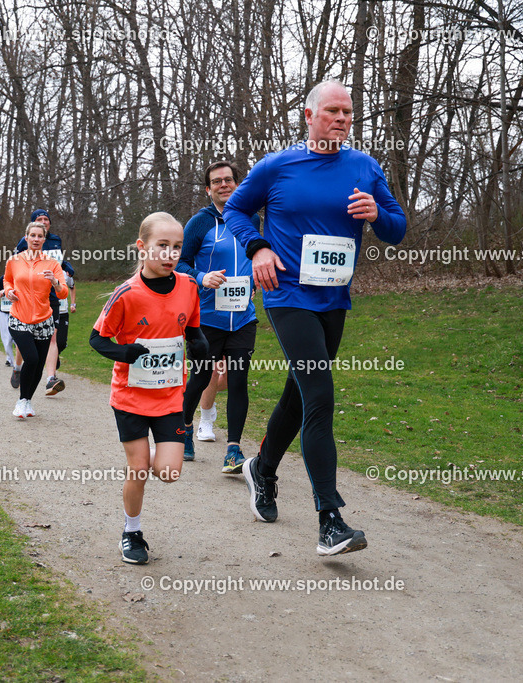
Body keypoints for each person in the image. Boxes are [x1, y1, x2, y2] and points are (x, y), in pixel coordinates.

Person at [224, 80, 406, 556]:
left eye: (348, 112)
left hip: (334, 300)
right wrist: (258, 247)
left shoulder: (364, 167)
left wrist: (377, 214)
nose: (342, 118)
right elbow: (236, 210)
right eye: (332, 111)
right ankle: (330, 520)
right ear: (309, 116)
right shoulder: (277, 166)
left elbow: (398, 229)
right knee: (320, 395)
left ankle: (262, 468)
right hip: (287, 294)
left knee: (299, 395)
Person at [89, 212, 207, 565]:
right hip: (130, 396)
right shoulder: (127, 294)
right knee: (139, 469)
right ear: (142, 247)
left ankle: (143, 458)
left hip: (169, 396)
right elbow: (97, 339)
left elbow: (192, 328)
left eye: (177, 247)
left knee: (169, 473)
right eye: (162, 246)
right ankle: (131, 532)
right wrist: (125, 352)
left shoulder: (189, 285)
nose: (170, 254)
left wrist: (200, 344)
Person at [177, 159, 261, 473]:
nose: (223, 185)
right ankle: (184, 429)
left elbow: (254, 255)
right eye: (216, 181)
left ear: (237, 184)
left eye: (228, 179)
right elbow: (180, 263)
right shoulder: (200, 223)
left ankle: (233, 450)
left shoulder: (251, 217)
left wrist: (254, 281)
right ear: (208, 189)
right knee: (200, 378)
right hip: (207, 318)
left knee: (238, 381)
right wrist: (202, 277)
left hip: (243, 317)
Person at [2, 221, 68, 418]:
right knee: (31, 358)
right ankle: (21, 401)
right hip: (19, 317)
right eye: (33, 235)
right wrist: (9, 291)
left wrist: (55, 282)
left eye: (40, 236)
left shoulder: (52, 263)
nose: (36, 239)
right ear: (26, 237)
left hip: (44, 320)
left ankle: (28, 401)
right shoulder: (14, 260)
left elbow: (63, 293)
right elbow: (7, 280)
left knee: (38, 365)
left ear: (44, 239)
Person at [14, 209, 75, 394]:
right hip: (30, 296)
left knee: (53, 337)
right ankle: (17, 367)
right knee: (26, 336)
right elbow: (15, 266)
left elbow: (58, 261)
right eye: (39, 219)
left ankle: (50, 379)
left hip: (51, 295)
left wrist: (67, 267)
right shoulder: (24, 242)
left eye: (46, 219)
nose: (43, 221)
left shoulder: (56, 240)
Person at [0, 273, 17, 367]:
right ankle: (9, 359)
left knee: (18, 338)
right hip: (4, 311)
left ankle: (19, 361)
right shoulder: (3, 278)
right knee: (6, 338)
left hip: (17, 312)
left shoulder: (20, 277)